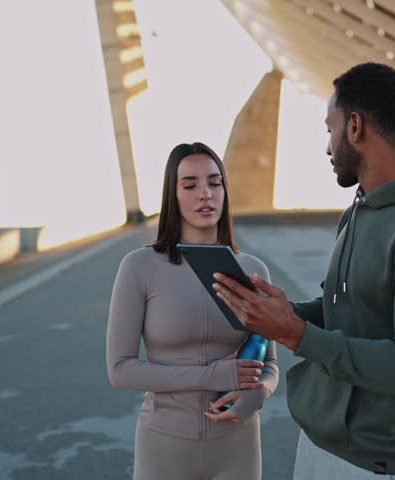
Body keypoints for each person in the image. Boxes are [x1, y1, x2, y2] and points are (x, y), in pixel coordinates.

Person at [212, 63, 395, 479]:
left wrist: (295, 335)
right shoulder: (361, 210)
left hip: (378, 466)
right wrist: (286, 312)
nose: (327, 146)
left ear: (355, 127)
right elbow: (351, 310)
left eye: (329, 128)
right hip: (321, 445)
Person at [106, 142, 278, 480]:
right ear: (173, 195)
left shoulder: (253, 270)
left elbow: (269, 364)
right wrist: (209, 376)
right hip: (164, 447)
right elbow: (120, 369)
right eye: (190, 185)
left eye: (215, 183)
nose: (205, 194)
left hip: (238, 446)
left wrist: (259, 394)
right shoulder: (140, 267)